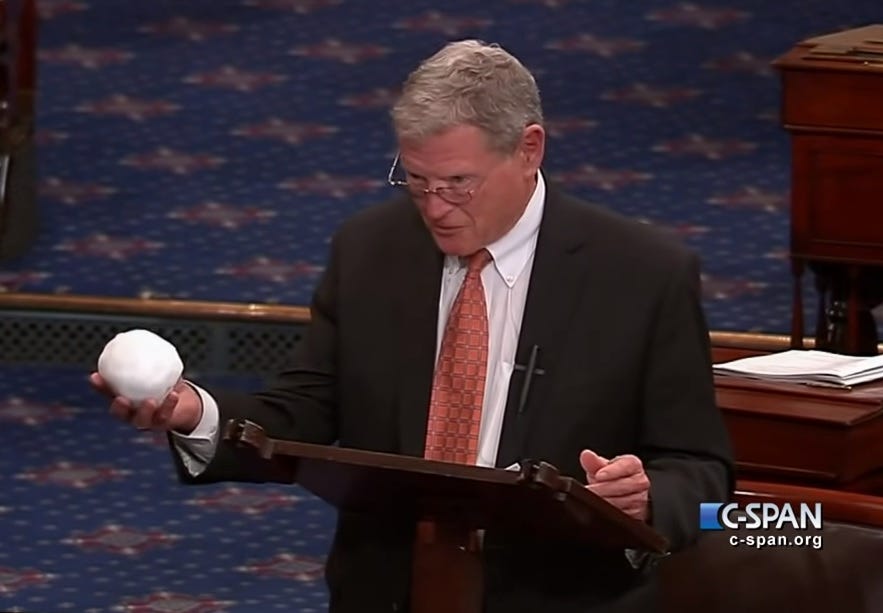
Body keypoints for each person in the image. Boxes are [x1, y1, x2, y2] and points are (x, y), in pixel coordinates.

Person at [91, 39, 733, 613]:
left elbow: (702, 472)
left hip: (557, 594)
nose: (435, 209)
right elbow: (305, 412)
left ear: (529, 149)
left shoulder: (643, 275)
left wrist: (647, 496)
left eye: (458, 184)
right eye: (416, 181)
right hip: (389, 590)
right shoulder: (370, 250)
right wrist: (193, 413)